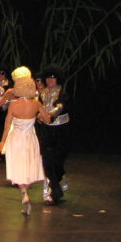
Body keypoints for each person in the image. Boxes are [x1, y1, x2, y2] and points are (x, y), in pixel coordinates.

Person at [0, 76, 50, 215]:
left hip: (15, 139)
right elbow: (47, 118)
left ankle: (23, 191)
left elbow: (7, 126)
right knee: (29, 168)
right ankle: (26, 190)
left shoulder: (14, 104)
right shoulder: (36, 104)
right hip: (30, 138)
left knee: (18, 168)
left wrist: (1, 143)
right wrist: (38, 117)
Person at [37, 64, 71, 205]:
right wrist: (40, 116)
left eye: (53, 78)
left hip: (61, 131)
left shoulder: (62, 93)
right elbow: (37, 107)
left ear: (58, 79)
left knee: (58, 161)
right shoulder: (42, 93)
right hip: (46, 130)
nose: (50, 80)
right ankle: (54, 191)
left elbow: (60, 107)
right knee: (47, 159)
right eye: (48, 78)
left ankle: (59, 180)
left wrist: (48, 115)